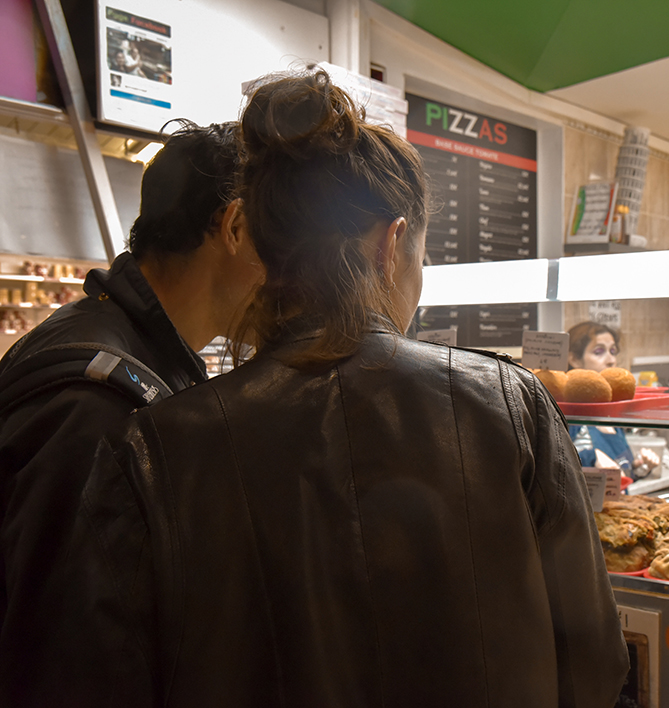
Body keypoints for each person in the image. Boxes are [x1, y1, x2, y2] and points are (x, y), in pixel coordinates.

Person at [63, 70, 628, 707]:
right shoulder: (508, 402)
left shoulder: (155, 447)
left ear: (263, 251)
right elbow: (594, 667)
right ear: (392, 244)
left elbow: (108, 677)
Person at [0, 120, 262, 705]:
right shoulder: (100, 407)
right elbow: (65, 666)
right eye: (283, 239)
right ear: (236, 227)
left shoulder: (119, 344)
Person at [566, 321, 639, 471]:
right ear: (574, 360)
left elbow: (622, 472)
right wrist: (591, 457)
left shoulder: (610, 413)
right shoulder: (569, 416)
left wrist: (639, 468)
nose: (611, 360)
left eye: (613, 351)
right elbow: (556, 466)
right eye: (598, 352)